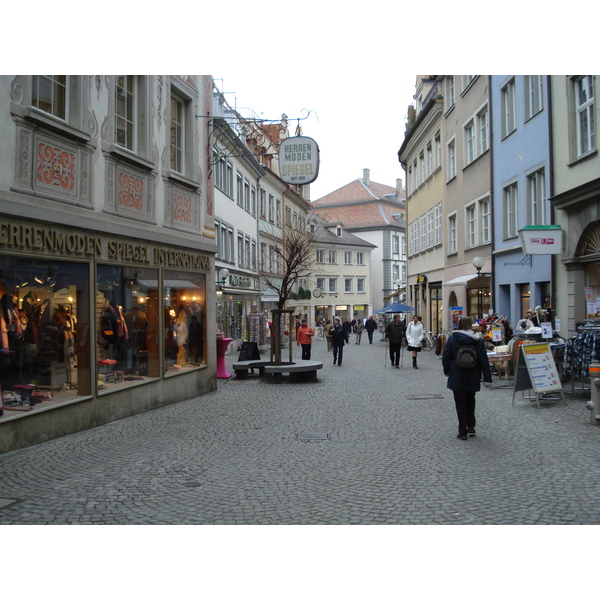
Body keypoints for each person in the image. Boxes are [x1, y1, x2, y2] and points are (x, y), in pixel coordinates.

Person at [442, 317, 493, 441]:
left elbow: (446, 356)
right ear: (470, 326)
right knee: (471, 400)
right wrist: (487, 377)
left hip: (457, 373)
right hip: (473, 372)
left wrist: (447, 371)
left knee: (460, 403)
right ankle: (471, 426)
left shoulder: (453, 338)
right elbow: (483, 359)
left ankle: (462, 431)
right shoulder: (477, 340)